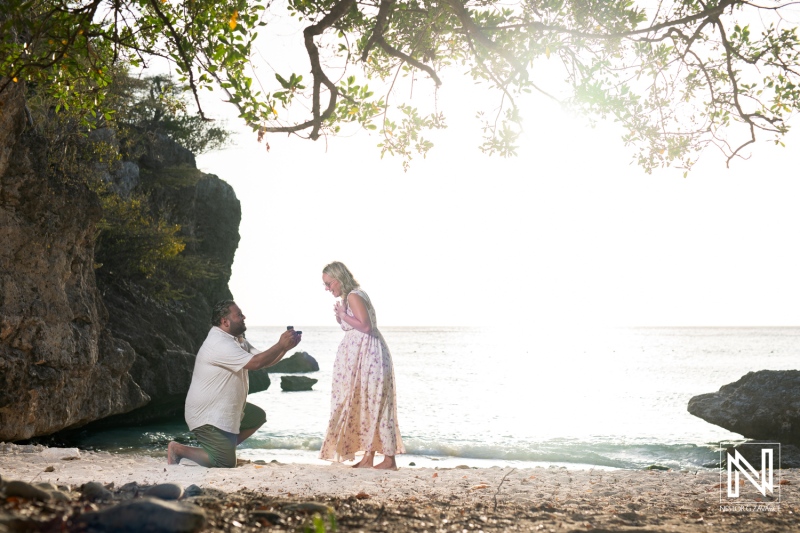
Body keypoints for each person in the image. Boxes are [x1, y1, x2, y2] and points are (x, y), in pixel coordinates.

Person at [167, 300, 301, 468]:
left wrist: (285, 349)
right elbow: (255, 363)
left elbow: (263, 360)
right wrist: (280, 345)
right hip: (206, 415)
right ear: (225, 321)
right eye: (238, 315)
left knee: (257, 416)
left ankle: (224, 449)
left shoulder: (237, 340)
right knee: (226, 463)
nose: (243, 317)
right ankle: (178, 450)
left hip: (224, 409)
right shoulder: (218, 343)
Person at [319, 261, 404, 470]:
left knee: (374, 404)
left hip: (369, 356)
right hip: (363, 356)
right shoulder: (351, 297)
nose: (327, 288)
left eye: (329, 283)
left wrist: (343, 315)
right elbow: (356, 326)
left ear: (338, 280)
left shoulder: (353, 296)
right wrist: (343, 318)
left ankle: (389, 460)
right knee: (364, 404)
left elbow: (366, 326)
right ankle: (368, 457)